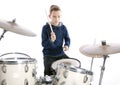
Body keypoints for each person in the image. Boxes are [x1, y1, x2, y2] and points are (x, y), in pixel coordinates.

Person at [41, 5, 71, 76]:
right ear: (49, 16)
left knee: (72, 67)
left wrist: (66, 45)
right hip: (49, 55)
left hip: (60, 53)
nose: (57, 19)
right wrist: (51, 40)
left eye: (59, 16)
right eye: (54, 16)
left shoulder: (63, 28)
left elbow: (67, 38)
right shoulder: (45, 28)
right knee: (49, 75)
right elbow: (44, 44)